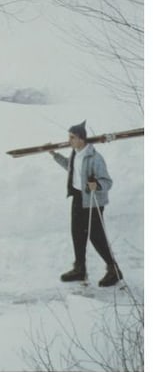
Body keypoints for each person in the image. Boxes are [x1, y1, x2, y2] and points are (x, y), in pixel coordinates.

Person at [51, 121, 121, 287]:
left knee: (96, 236)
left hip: (92, 201)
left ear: (82, 139)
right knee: (77, 234)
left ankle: (114, 270)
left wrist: (96, 184)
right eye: (69, 137)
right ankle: (79, 269)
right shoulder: (75, 154)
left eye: (72, 137)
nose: (69, 140)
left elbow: (108, 182)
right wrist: (54, 155)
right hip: (77, 197)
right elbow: (71, 168)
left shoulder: (95, 158)